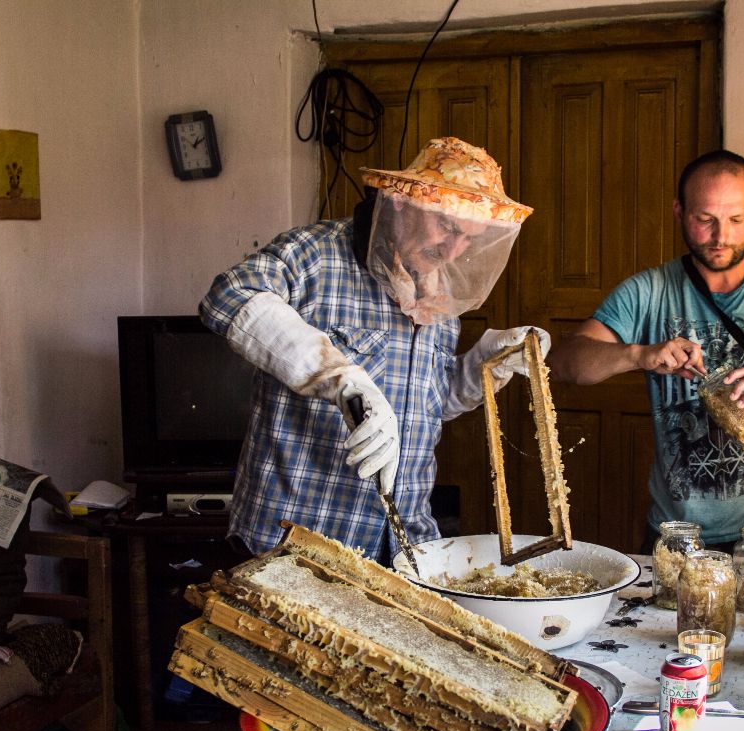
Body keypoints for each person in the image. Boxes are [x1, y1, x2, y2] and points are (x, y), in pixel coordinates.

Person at [200, 137, 547, 562]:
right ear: (401, 202)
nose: (454, 250)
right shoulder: (315, 254)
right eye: (448, 227)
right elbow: (229, 295)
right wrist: (339, 378)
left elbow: (429, 406)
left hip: (403, 544)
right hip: (296, 542)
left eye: (468, 239)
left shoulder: (438, 292)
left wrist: (484, 365)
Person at [547, 149, 744, 550]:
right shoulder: (648, 291)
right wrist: (637, 355)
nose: (721, 237)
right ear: (680, 212)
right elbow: (562, 363)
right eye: (705, 220)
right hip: (678, 535)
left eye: (736, 219)